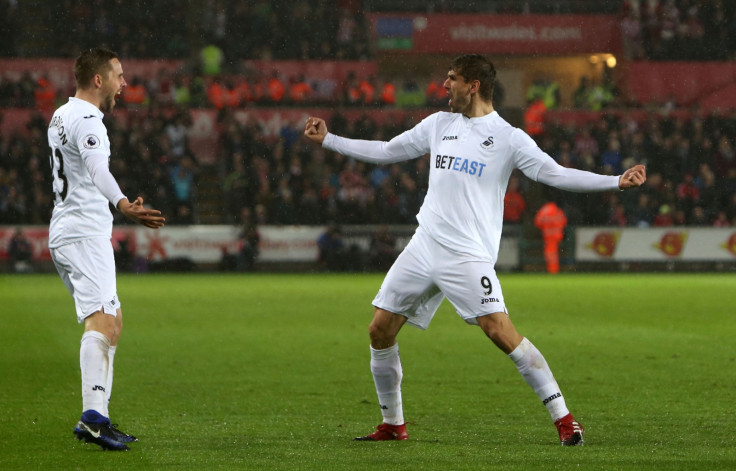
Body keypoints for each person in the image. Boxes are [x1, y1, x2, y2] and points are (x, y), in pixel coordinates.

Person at [304, 54, 646, 446]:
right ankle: (393, 425)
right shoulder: (439, 124)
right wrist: (328, 139)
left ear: (474, 85)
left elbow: (555, 173)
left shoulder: (508, 137)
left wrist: (614, 181)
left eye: (451, 79)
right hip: (424, 244)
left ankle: (565, 420)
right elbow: (386, 150)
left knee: (500, 331)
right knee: (379, 330)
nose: (444, 86)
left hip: (466, 255)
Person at [47, 48, 166, 451]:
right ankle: (93, 419)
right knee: (101, 320)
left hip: (73, 229)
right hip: (82, 232)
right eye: (118, 75)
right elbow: (99, 168)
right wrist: (123, 204)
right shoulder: (86, 118)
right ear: (99, 80)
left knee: (113, 317)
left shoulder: (61, 114)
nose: (124, 82)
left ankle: (100, 415)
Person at [534, 199, 568, 274]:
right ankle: (553, 270)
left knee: (550, 253)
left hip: (548, 235)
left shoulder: (544, 210)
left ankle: (553, 270)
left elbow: (537, 222)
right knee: (553, 253)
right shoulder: (558, 211)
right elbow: (564, 221)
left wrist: (546, 227)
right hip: (557, 235)